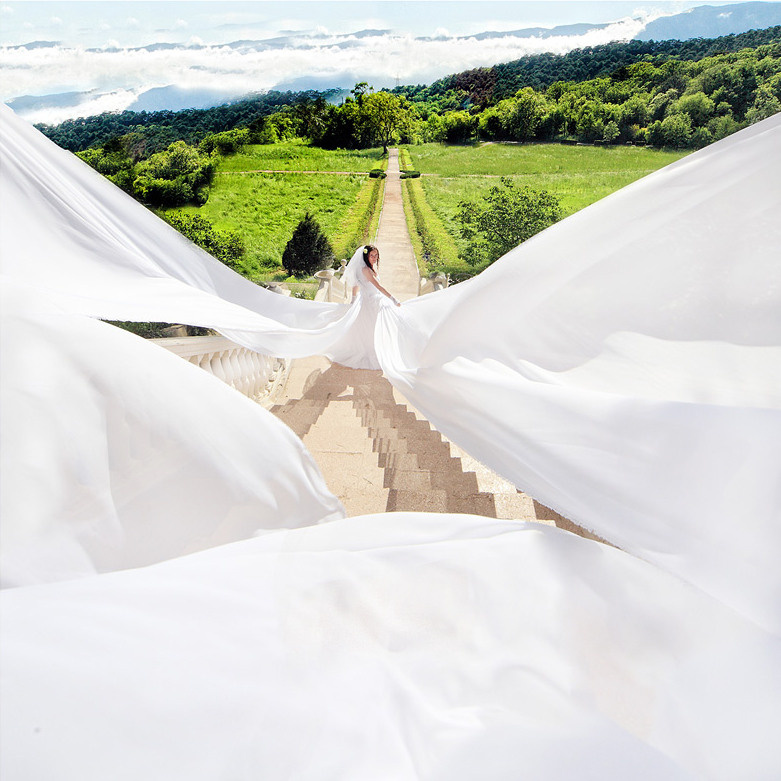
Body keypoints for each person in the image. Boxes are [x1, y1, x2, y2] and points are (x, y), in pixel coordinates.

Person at [328, 244, 401, 370]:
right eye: (371, 255)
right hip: (370, 301)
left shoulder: (367, 267)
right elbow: (378, 286)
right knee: (372, 327)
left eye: (376, 255)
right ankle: (374, 350)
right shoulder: (365, 270)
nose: (374, 258)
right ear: (366, 256)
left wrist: (354, 298)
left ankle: (379, 348)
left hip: (373, 299)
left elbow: (357, 283)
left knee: (374, 327)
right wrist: (393, 299)